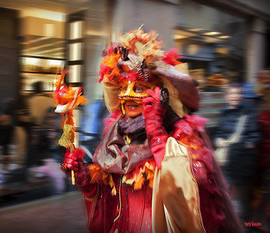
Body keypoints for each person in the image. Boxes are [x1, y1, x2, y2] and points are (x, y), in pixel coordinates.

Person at [62, 28, 242, 232]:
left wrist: (156, 130)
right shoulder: (116, 136)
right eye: (124, 88)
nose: (128, 95)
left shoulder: (180, 134)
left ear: (160, 95)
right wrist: (84, 177)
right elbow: (107, 196)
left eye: (138, 88)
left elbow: (191, 189)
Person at [214, 83, 261, 224]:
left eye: (237, 94)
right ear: (227, 96)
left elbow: (255, 134)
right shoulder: (224, 112)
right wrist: (218, 140)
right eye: (232, 94)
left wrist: (248, 144)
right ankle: (230, 220)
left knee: (242, 193)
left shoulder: (248, 112)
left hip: (243, 160)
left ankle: (245, 222)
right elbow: (219, 132)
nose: (235, 96)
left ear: (240, 96)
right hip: (227, 161)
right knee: (225, 191)